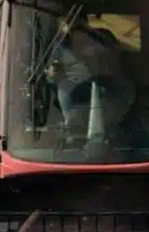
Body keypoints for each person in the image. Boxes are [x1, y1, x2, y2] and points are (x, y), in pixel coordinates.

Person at [46, 14, 136, 144]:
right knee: (63, 90)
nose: (71, 23)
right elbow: (50, 73)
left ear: (84, 19)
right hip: (75, 85)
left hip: (107, 80)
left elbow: (118, 58)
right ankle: (72, 132)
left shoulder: (102, 36)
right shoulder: (60, 44)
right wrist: (52, 74)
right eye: (67, 20)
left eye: (76, 18)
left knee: (126, 88)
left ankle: (121, 134)